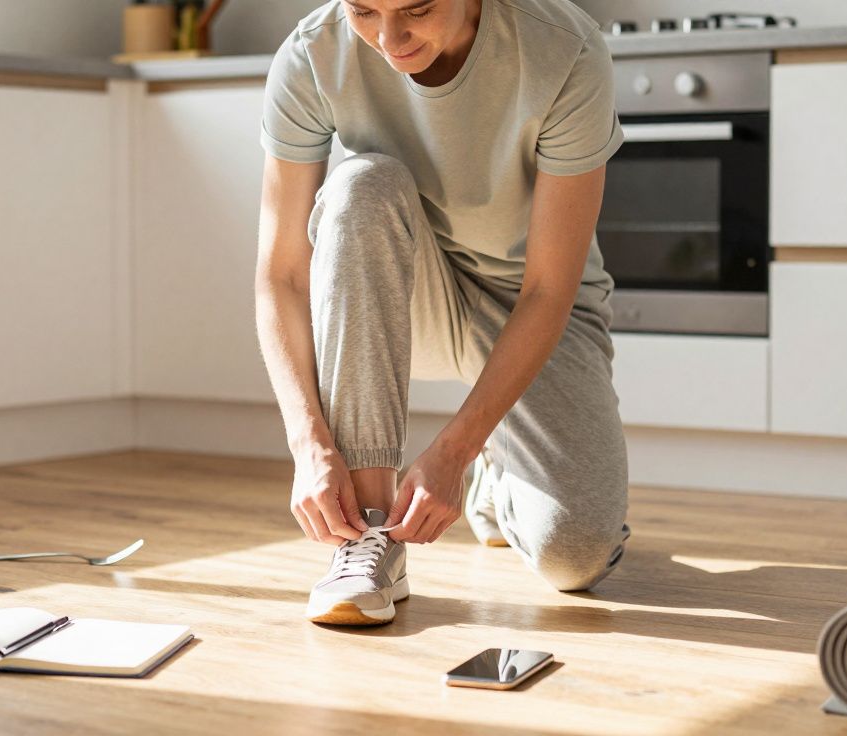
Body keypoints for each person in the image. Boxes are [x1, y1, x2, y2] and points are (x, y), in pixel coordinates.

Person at [254, 0, 631, 626]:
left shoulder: (565, 50)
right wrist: (307, 442)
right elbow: (283, 274)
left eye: (418, 9)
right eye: (364, 11)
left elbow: (547, 289)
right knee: (359, 186)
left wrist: (454, 453)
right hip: (408, 298)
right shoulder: (311, 54)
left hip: (527, 306)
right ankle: (370, 541)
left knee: (576, 558)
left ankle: (492, 478)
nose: (390, 38)